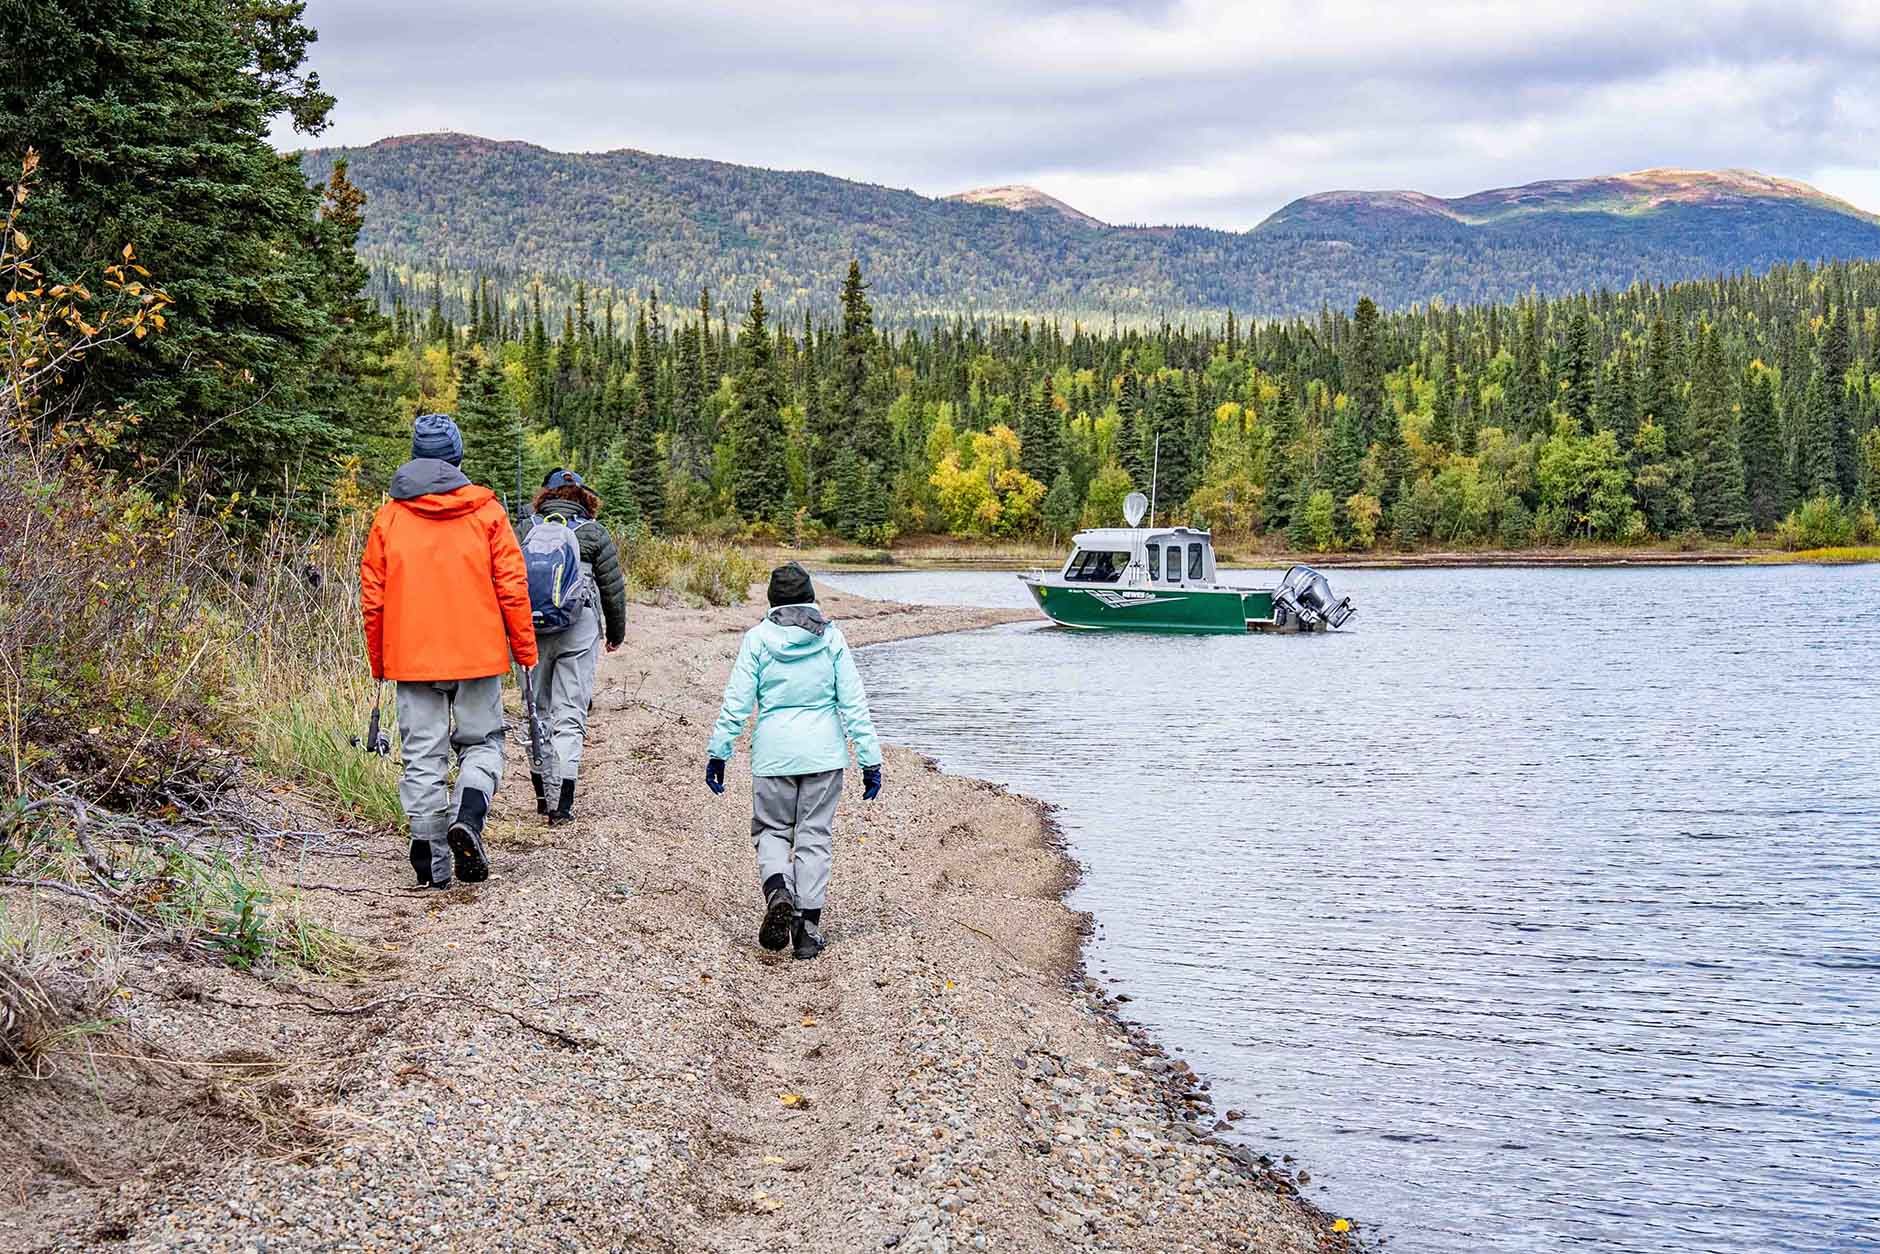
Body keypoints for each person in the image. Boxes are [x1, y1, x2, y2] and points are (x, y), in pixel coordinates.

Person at [360, 413, 537, 890]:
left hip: (412, 658)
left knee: (422, 754)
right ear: (457, 457)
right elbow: (513, 587)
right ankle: (468, 817)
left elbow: (373, 596)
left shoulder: (390, 517)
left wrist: (381, 661)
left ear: (416, 455)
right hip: (477, 656)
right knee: (483, 743)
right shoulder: (487, 513)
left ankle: (431, 863)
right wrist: (524, 650)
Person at [705, 562, 883, 961]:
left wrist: (719, 752)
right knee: (814, 836)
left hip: (773, 755)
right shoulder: (832, 638)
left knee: (771, 830)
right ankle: (806, 931)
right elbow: (854, 704)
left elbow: (736, 703)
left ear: (772, 601)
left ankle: (777, 890)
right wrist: (870, 760)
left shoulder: (757, 639)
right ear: (810, 599)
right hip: (823, 754)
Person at [518, 468, 627, 825]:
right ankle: (561, 805)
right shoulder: (593, 532)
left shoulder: (526, 529)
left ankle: (541, 796)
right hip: (578, 628)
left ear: (545, 495)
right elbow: (612, 589)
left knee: (537, 711)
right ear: (582, 497)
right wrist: (615, 632)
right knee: (570, 713)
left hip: (531, 629)